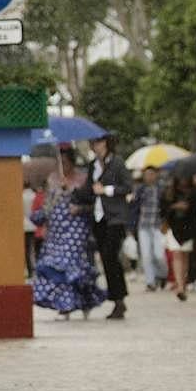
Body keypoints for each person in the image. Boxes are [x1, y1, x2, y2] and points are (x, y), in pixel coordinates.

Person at [33, 146, 107, 319]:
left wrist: (78, 205)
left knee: (72, 263)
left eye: (66, 162)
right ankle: (64, 305)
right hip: (56, 229)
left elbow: (92, 202)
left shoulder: (83, 179)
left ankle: (83, 301)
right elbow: (47, 205)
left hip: (76, 227)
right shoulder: (53, 179)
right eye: (61, 162)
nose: (64, 166)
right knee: (56, 265)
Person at [77, 131, 131, 320]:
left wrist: (107, 190)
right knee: (106, 259)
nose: (95, 146)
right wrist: (72, 194)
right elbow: (87, 191)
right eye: (93, 142)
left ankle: (119, 298)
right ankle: (117, 299)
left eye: (99, 142)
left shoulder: (117, 163)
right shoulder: (93, 166)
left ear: (106, 143)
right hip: (99, 218)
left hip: (115, 217)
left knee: (110, 255)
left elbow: (128, 186)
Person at [162, 173, 196, 302]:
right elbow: (163, 209)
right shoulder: (169, 192)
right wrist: (174, 207)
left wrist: (188, 207)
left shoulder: (194, 192)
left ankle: (183, 283)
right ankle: (179, 286)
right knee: (177, 254)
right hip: (174, 227)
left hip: (189, 228)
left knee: (185, 256)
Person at [132, 166, 168, 292]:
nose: (149, 177)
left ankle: (162, 275)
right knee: (146, 255)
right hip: (143, 225)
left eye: (151, 174)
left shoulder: (161, 189)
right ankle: (150, 282)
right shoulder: (140, 189)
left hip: (158, 226)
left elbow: (166, 207)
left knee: (159, 255)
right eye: (146, 174)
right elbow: (134, 208)